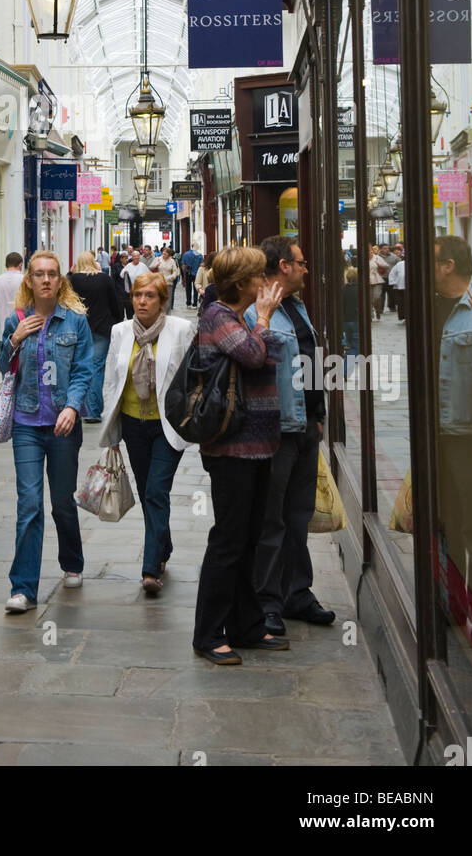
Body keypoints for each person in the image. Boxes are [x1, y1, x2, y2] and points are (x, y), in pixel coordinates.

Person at [191, 245, 286, 664]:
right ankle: (208, 634)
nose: (265, 281)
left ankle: (246, 627)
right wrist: (264, 321)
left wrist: (262, 334)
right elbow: (253, 354)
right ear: (243, 283)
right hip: (231, 447)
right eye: (259, 275)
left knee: (249, 540)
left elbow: (273, 356)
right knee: (228, 542)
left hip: (259, 444)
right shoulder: (218, 316)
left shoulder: (240, 318)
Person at [244, 237, 335, 635]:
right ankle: (266, 601)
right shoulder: (255, 312)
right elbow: (250, 363)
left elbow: (311, 363)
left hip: (304, 429)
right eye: (301, 262)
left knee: (298, 517)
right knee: (271, 519)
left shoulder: (297, 309)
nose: (305, 269)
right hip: (274, 429)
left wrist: (318, 414)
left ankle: (298, 592)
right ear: (283, 266)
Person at [0, 251, 94, 613]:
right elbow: (3, 367)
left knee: (62, 502)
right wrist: (14, 339)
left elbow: (84, 370)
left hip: (62, 426)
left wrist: (71, 406)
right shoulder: (16, 320)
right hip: (26, 424)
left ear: (60, 280)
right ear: (29, 281)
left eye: (52, 274)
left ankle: (72, 561)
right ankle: (23, 588)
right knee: (30, 503)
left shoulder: (75, 322)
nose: (46, 280)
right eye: (39, 274)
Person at [99, 272, 194, 593]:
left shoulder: (180, 330)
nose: (141, 301)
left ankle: (150, 568)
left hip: (167, 426)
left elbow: (191, 377)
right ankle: (163, 546)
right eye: (138, 295)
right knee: (147, 492)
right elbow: (111, 379)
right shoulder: (120, 331)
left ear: (162, 301)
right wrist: (110, 430)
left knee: (156, 491)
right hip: (132, 425)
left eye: (149, 296)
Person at [434, 237, 472, 626]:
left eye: (431, 260)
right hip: (436, 435)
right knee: (445, 522)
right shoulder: (429, 305)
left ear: (448, 265)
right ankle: (452, 605)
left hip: (469, 436)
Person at [67, 251, 123, 421]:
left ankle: (79, 406)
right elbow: (115, 302)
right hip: (102, 329)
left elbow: (65, 301)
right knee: (97, 368)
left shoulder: (73, 280)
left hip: (78, 328)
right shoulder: (104, 279)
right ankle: (93, 410)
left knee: (79, 367)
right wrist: (118, 320)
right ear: (93, 261)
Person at [121, 249, 150, 320]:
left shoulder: (143, 266)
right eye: (135, 257)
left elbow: (149, 275)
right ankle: (131, 320)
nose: (136, 258)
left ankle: (139, 320)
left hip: (141, 290)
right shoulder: (128, 266)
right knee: (130, 307)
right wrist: (125, 273)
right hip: (131, 291)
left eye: (138, 257)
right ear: (132, 257)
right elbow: (121, 275)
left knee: (139, 307)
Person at [342, 266, 360, 373]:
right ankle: (344, 370)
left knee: (350, 344)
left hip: (345, 321)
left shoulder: (343, 289)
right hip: (356, 320)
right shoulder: (360, 289)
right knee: (355, 347)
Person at [369, 243, 388, 320]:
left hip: (377, 280)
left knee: (376, 297)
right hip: (367, 281)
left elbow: (386, 266)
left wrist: (379, 264)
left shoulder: (377, 258)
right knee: (369, 299)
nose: (369, 253)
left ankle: (377, 310)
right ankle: (370, 315)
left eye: (370, 251)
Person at [388, 254, 405, 321]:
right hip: (400, 286)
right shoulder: (399, 264)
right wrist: (394, 282)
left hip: (405, 287)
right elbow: (392, 273)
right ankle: (402, 316)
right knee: (401, 302)